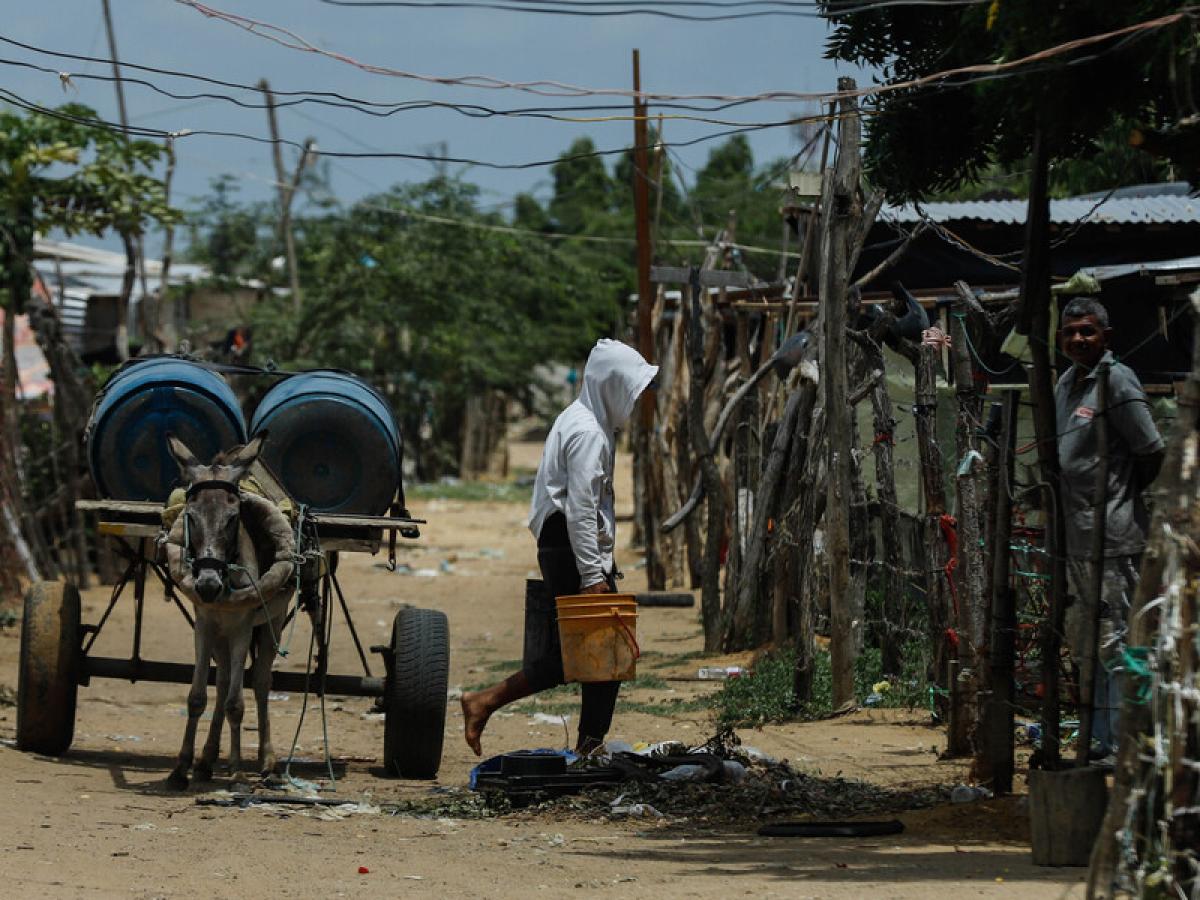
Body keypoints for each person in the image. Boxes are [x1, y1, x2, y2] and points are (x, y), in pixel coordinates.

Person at [461, 338, 658, 757]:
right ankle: (488, 703)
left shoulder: (585, 422)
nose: (635, 402)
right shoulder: (588, 432)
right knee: (596, 652)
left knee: (596, 653)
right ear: (611, 385)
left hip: (565, 545)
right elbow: (582, 509)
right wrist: (591, 575)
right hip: (570, 546)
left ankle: (587, 745)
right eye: (631, 390)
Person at [1055, 296, 1165, 762]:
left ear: (1106, 337)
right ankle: (1102, 739)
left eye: (1088, 331)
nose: (1079, 339)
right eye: (1071, 332)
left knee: (1121, 640)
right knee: (1087, 642)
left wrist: (1117, 498)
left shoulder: (1116, 380)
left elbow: (1151, 450)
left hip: (1115, 537)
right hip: (1077, 538)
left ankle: (1129, 741)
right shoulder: (1066, 382)